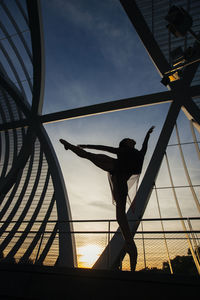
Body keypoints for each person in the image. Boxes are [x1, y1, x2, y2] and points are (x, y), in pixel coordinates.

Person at [60, 126, 155, 271]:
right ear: (126, 143)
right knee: (90, 155)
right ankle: (70, 147)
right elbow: (104, 148)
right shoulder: (124, 150)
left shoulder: (137, 153)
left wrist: (148, 135)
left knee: (120, 215)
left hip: (120, 178)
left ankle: (130, 246)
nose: (131, 140)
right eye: (129, 140)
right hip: (115, 168)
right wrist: (86, 145)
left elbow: (144, 146)